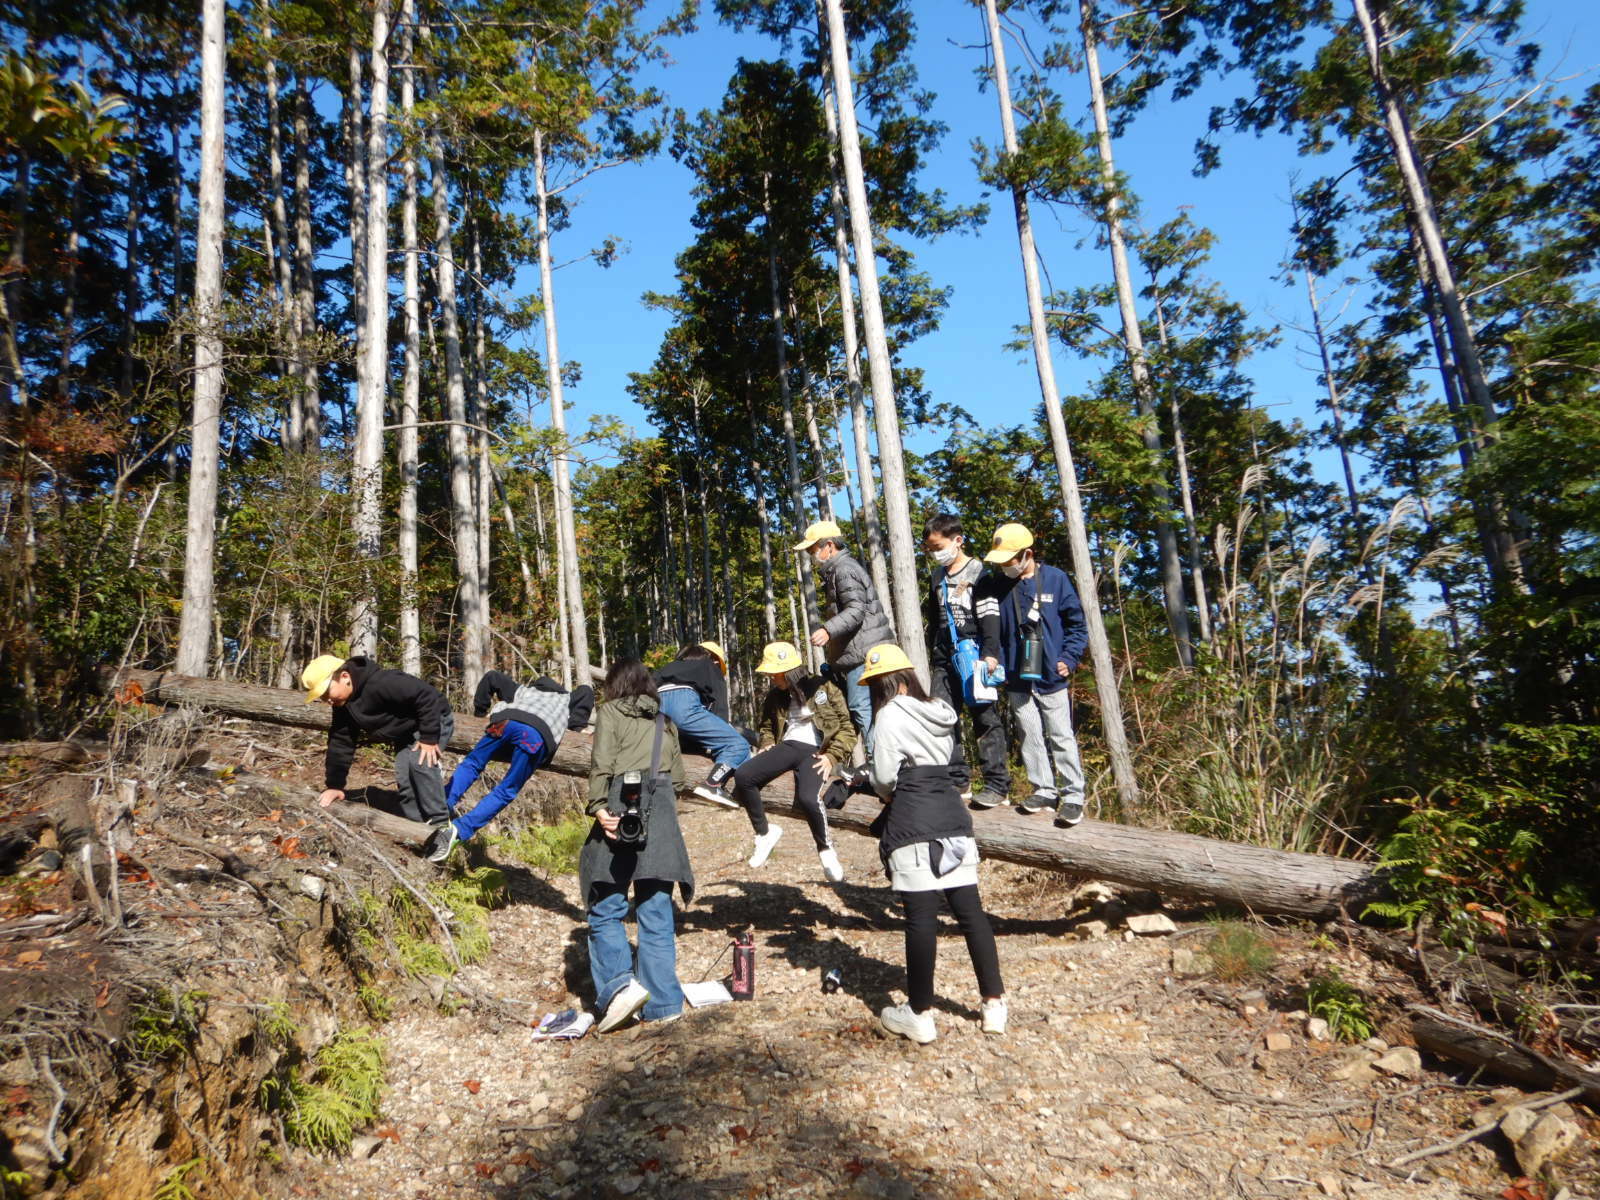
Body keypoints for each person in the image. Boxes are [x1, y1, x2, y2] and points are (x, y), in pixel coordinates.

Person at [859, 642, 1006, 1044]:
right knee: (971, 913)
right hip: (952, 815)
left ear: (882, 683)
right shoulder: (941, 711)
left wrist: (878, 785)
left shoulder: (889, 714)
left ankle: (920, 1013)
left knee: (920, 919)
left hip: (914, 819)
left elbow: (885, 776)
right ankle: (994, 1004)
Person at [580, 659, 692, 1032]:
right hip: (660, 812)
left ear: (615, 685)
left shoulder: (610, 711)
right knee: (656, 909)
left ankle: (618, 990)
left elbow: (602, 762)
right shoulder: (665, 722)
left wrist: (598, 806)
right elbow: (677, 781)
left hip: (618, 806)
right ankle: (664, 1003)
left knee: (607, 903)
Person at [980, 523, 1088, 827]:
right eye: (1001, 561)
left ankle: (1073, 795)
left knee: (1061, 735)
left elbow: (1077, 626)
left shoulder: (1055, 579)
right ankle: (1043, 788)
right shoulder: (998, 586)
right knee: (1029, 734)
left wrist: (1069, 658)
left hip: (1051, 675)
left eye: (1009, 560)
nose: (1005, 566)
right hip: (1016, 676)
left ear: (1028, 554)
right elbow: (992, 632)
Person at [302, 653, 456, 856]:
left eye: (326, 691)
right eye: (321, 697)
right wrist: (334, 786)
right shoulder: (343, 707)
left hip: (433, 719)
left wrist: (428, 738)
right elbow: (341, 743)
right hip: (406, 732)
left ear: (345, 677)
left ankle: (442, 826)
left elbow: (426, 697)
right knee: (404, 777)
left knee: (420, 763)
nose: (326, 699)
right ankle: (418, 829)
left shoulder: (382, 683)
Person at [732, 640, 858, 881]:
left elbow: (847, 728)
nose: (770, 677)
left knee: (808, 798)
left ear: (788, 671)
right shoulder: (775, 696)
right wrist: (767, 743)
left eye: (774, 672)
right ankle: (764, 834)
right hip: (788, 746)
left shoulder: (824, 688)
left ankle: (825, 849)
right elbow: (767, 726)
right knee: (744, 776)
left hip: (816, 751)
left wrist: (832, 757)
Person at [437, 675, 595, 860]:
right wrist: (576, 726)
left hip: (504, 722)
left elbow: (490, 677)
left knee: (472, 763)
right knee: (506, 790)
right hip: (534, 735)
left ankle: (440, 805)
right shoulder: (566, 698)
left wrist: (480, 713)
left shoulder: (524, 690)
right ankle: (459, 830)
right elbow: (586, 691)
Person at [922, 513, 1010, 808]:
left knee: (984, 716)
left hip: (975, 653)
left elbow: (990, 616)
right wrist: (934, 652)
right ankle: (957, 780)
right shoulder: (936, 577)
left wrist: (990, 654)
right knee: (943, 717)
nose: (935, 553)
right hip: (944, 657)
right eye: (931, 549)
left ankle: (997, 784)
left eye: (938, 546)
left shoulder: (979, 573)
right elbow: (933, 618)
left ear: (957, 541)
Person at [792, 519, 895, 752]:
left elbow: (856, 610)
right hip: (857, 653)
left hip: (863, 654)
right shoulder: (838, 570)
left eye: (813, 549)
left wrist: (828, 630)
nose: (811, 554)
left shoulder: (844, 569)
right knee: (863, 709)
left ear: (829, 546)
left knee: (862, 707)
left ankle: (879, 766)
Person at [653, 642, 749, 805]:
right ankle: (712, 784)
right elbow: (719, 709)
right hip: (683, 704)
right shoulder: (709, 666)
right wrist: (721, 731)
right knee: (738, 745)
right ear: (715, 661)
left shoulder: (668, 668)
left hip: (655, 707)